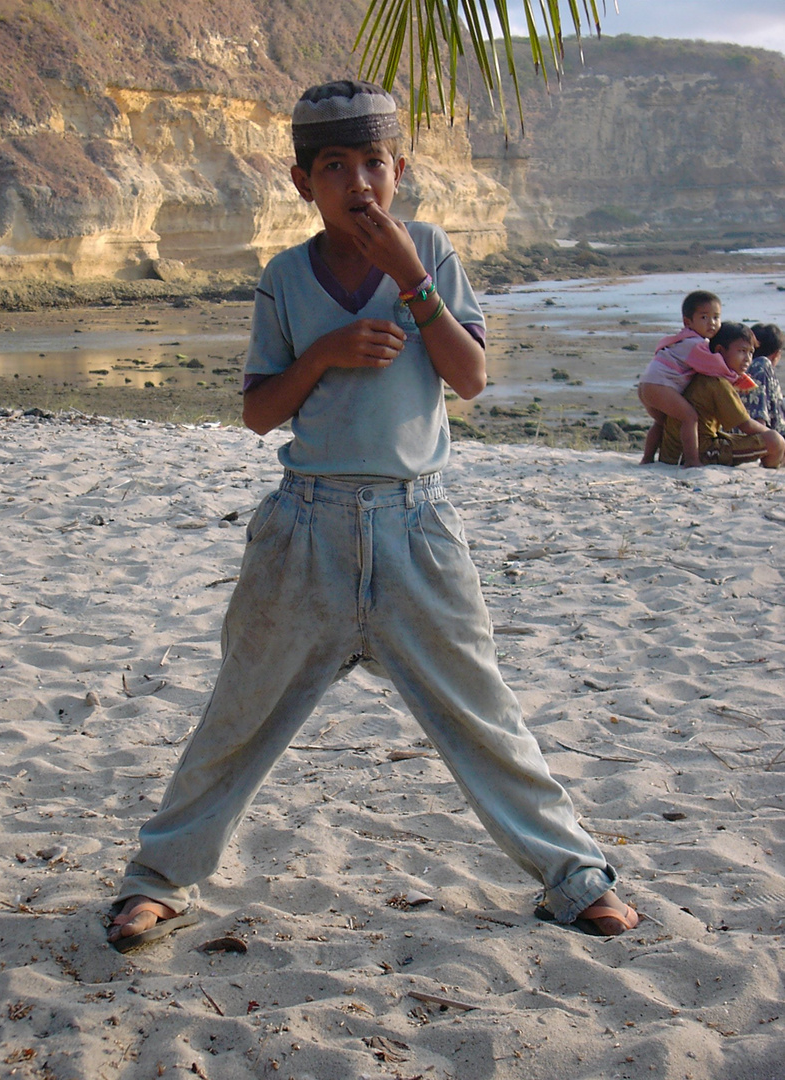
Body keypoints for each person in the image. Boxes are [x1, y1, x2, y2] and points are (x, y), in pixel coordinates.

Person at [107, 79, 638, 952]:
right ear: (299, 181)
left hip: (415, 532)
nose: (358, 182)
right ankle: (159, 881)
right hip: (305, 533)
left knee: (483, 716)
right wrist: (324, 352)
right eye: (334, 166)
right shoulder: (285, 277)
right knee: (237, 717)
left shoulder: (427, 252)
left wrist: (410, 280)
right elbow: (257, 412)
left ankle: (576, 879)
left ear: (402, 169)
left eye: (374, 163)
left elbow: (468, 380)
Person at [659, 322, 785, 468]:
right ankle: (769, 470)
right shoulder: (718, 382)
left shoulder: (703, 373)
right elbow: (746, 425)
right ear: (720, 350)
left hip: (673, 451)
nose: (747, 359)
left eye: (750, 353)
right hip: (700, 451)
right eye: (742, 351)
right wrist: (774, 438)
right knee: (774, 441)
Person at [638, 290, 728, 467]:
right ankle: (692, 460)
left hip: (646, 385)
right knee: (690, 417)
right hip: (659, 385)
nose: (712, 323)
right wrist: (737, 377)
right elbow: (714, 367)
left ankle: (647, 458)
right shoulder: (696, 344)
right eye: (704, 317)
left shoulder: (681, 339)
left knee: (663, 422)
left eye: (716, 317)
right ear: (688, 321)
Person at [742, 323, 785, 434]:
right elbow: (759, 416)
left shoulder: (739, 369)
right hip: (769, 438)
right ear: (776, 354)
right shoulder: (761, 367)